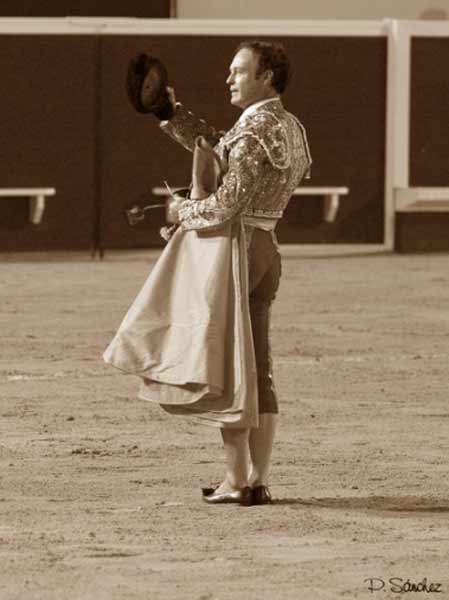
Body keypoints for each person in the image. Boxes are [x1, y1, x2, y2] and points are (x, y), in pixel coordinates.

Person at [157, 41, 312, 505]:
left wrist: (181, 209)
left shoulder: (252, 132)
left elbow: (227, 204)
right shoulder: (288, 126)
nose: (229, 79)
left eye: (239, 71)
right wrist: (171, 114)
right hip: (268, 249)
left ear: (266, 77)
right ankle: (258, 479)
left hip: (239, 251)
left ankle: (234, 479)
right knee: (258, 367)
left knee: (229, 367)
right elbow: (220, 145)